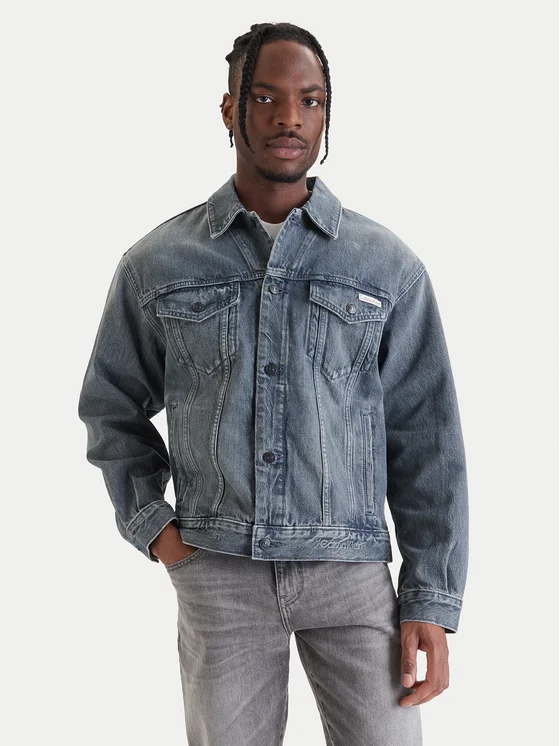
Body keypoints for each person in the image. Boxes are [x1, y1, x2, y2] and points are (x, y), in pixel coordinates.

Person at [78, 21, 469, 746]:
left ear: (327, 113)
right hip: (219, 574)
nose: (290, 117)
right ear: (230, 109)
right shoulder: (158, 264)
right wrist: (155, 527)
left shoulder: (386, 266)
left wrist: (431, 598)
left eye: (310, 100)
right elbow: (111, 408)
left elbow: (427, 437)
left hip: (352, 574)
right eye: (266, 97)